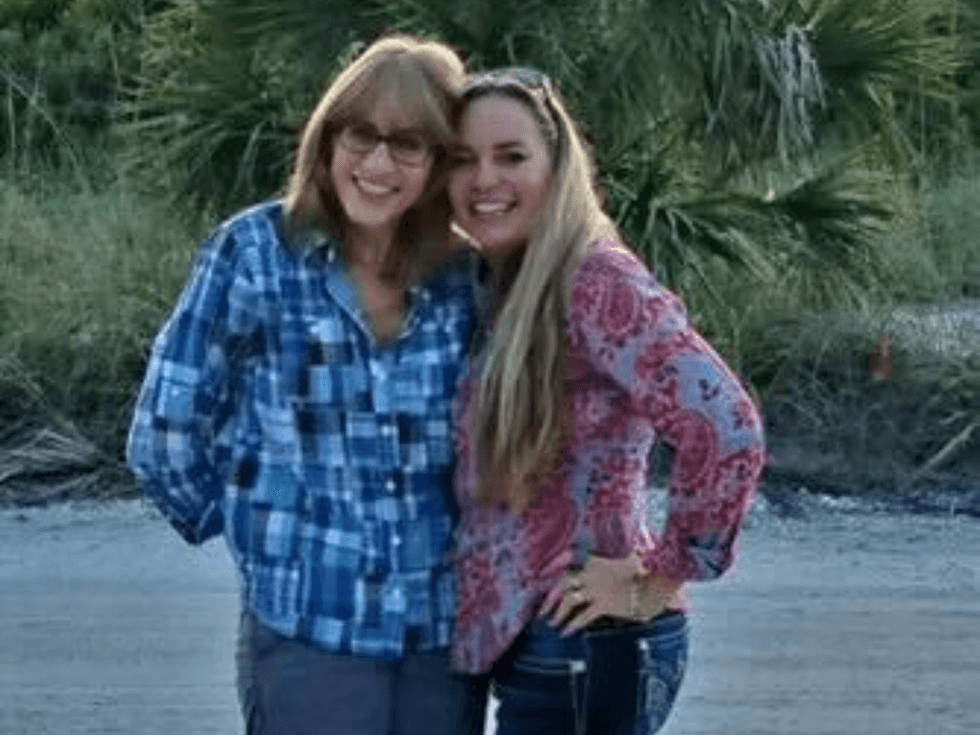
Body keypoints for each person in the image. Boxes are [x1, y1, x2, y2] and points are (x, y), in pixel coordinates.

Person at [126, 35, 487, 735]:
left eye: (409, 144)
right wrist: (262, 535)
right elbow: (164, 431)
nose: (378, 163)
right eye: (361, 134)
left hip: (442, 635)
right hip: (305, 634)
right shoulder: (255, 252)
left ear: (439, 161)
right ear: (328, 137)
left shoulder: (465, 278)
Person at [446, 67, 767, 735]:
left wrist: (661, 576)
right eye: (462, 159)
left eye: (511, 156)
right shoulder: (501, 280)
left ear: (558, 165)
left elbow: (726, 424)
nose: (485, 179)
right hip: (540, 641)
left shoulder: (596, 279)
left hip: (586, 638)